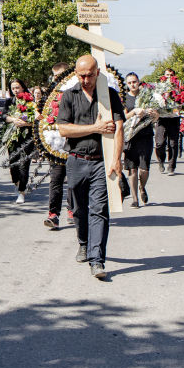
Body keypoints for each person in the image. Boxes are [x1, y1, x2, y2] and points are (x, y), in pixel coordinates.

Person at [57, 55, 125, 280]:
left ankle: (97, 260)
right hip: (76, 160)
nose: (85, 79)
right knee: (78, 209)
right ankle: (83, 243)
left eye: (89, 75)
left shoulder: (109, 95)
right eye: (81, 75)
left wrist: (116, 159)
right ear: (76, 73)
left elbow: (119, 128)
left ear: (97, 73)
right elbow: (64, 130)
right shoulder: (69, 95)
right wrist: (94, 128)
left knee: (99, 211)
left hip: (100, 162)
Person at [43, 62, 75, 229]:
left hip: (73, 143)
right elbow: (44, 117)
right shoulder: (50, 95)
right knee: (55, 180)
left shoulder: (75, 92)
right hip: (55, 145)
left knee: (73, 180)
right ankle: (53, 214)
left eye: (61, 75)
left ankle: (72, 210)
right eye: (55, 77)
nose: (58, 79)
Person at [122, 72, 156, 207]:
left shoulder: (147, 96)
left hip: (145, 136)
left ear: (139, 82)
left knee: (144, 169)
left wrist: (155, 115)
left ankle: (142, 187)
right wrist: (134, 111)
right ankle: (135, 199)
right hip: (130, 137)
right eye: (130, 83)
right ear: (127, 84)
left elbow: (156, 116)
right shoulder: (124, 99)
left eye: (134, 82)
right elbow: (123, 117)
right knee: (132, 169)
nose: (132, 85)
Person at [4, 78, 34, 204]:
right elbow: (3, 116)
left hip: (26, 137)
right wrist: (13, 120)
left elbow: (35, 117)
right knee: (13, 164)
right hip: (12, 138)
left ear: (22, 87)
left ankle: (22, 192)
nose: (15, 90)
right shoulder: (9, 102)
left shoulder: (29, 101)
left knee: (24, 165)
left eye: (17, 87)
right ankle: (17, 182)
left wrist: (25, 122)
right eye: (13, 88)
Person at [155, 68, 180, 176]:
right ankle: (161, 160)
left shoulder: (178, 88)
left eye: (171, 75)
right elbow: (154, 100)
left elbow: (182, 101)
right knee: (159, 143)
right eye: (167, 75)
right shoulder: (159, 88)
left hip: (174, 118)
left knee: (173, 144)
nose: (169, 77)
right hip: (162, 118)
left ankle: (171, 166)